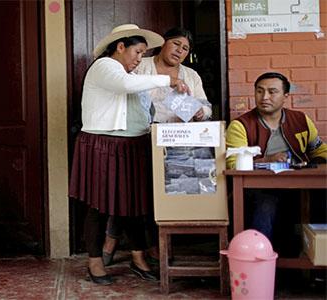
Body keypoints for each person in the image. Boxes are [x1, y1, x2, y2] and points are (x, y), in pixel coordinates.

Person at [69, 24, 189, 285]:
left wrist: (188, 106)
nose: (139, 58)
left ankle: (138, 258)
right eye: (137, 51)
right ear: (120, 46)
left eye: (144, 53)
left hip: (134, 145)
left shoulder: (135, 77)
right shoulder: (104, 67)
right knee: (98, 206)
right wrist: (169, 79)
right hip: (103, 144)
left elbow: (148, 108)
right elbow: (124, 84)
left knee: (134, 205)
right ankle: (94, 261)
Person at [102, 27, 212, 265]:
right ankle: (113, 241)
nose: (180, 51)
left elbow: (206, 107)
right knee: (131, 191)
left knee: (164, 195)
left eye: (185, 49)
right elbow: (123, 90)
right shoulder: (141, 65)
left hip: (176, 142)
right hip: (139, 135)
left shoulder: (191, 76)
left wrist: (202, 113)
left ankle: (154, 245)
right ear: (163, 44)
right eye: (175, 44)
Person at [226, 72, 327, 241]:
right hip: (258, 188)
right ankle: (259, 259)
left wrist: (311, 166)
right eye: (259, 91)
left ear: (285, 96)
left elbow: (320, 150)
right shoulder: (240, 125)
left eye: (272, 92)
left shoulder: (301, 120)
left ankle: (316, 257)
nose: (265, 97)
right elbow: (233, 164)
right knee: (266, 206)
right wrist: (267, 160)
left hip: (300, 184)